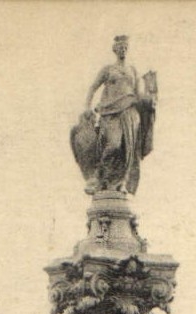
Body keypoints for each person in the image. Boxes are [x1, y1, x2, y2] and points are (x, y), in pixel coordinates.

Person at [74, 35, 156, 197]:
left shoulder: (133, 71)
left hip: (130, 112)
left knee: (128, 149)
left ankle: (121, 183)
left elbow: (138, 95)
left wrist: (150, 100)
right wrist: (87, 107)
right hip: (110, 113)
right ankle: (99, 176)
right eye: (120, 47)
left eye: (125, 47)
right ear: (115, 50)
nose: (123, 50)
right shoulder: (108, 69)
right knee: (113, 144)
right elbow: (92, 88)